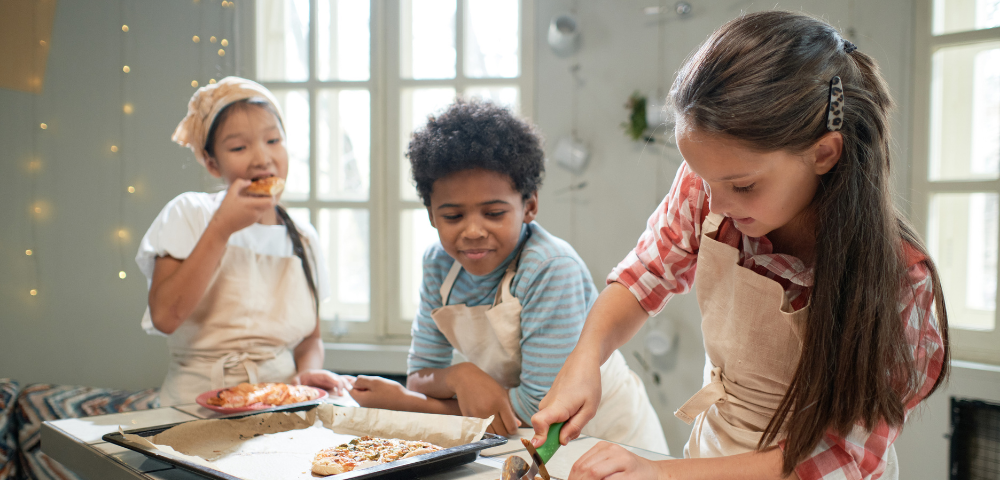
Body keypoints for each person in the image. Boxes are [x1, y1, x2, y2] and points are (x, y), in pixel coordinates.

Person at [530, 11, 949, 480]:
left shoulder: (900, 284)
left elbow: (837, 458)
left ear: (824, 154)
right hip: (715, 453)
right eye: (705, 178)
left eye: (743, 186)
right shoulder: (712, 187)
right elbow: (644, 274)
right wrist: (585, 358)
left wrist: (661, 474)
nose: (716, 202)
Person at [349, 99, 668, 453]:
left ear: (529, 205)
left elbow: (536, 410)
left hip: (603, 435)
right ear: (431, 215)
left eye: (494, 213)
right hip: (516, 440)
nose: (472, 231)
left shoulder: (549, 268)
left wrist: (412, 405)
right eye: (453, 216)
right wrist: (461, 376)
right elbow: (421, 375)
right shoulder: (438, 265)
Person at [136, 77, 352, 407]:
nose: (261, 158)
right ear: (211, 162)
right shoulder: (190, 213)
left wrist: (307, 373)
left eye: (273, 140)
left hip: (283, 405)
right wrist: (222, 228)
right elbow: (165, 316)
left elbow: (311, 339)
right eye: (239, 147)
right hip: (194, 408)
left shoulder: (303, 237)